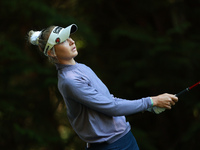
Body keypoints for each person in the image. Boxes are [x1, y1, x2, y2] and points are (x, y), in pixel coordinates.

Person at [28, 24, 178, 150]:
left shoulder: (81, 68)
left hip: (124, 138)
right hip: (110, 146)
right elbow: (111, 107)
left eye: (70, 37)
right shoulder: (70, 81)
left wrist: (148, 105)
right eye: (64, 40)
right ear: (51, 52)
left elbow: (109, 99)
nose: (72, 42)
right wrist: (151, 101)